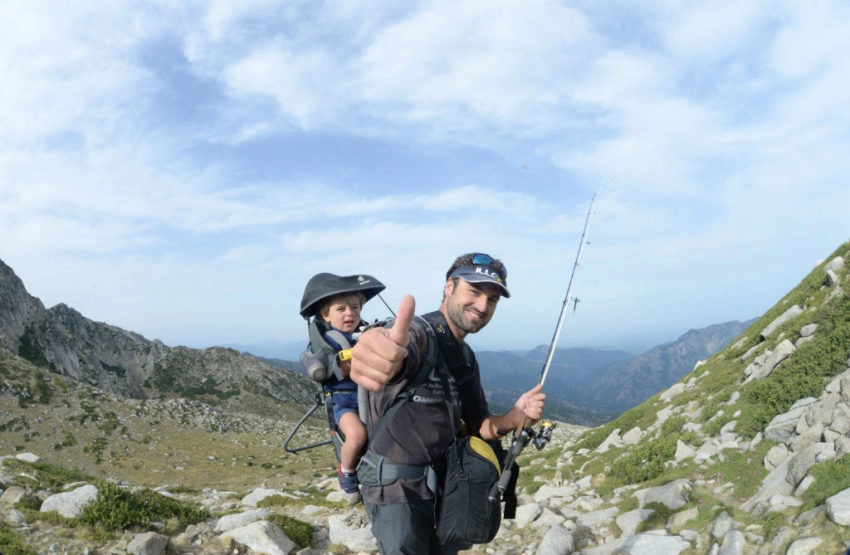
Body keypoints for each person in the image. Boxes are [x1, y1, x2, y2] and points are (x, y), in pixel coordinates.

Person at [350, 252, 546, 554]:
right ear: (449, 287)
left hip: (448, 491)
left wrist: (514, 416)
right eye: (474, 291)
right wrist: (376, 349)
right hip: (397, 494)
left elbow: (481, 428)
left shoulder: (465, 359)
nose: (482, 306)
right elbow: (393, 347)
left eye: (492, 300)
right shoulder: (418, 335)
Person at [299, 273, 386, 505]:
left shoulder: (364, 334)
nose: (350, 313)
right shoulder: (329, 341)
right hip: (343, 403)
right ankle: (346, 472)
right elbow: (331, 365)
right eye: (341, 309)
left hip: (370, 399)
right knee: (357, 435)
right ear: (325, 314)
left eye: (355, 308)